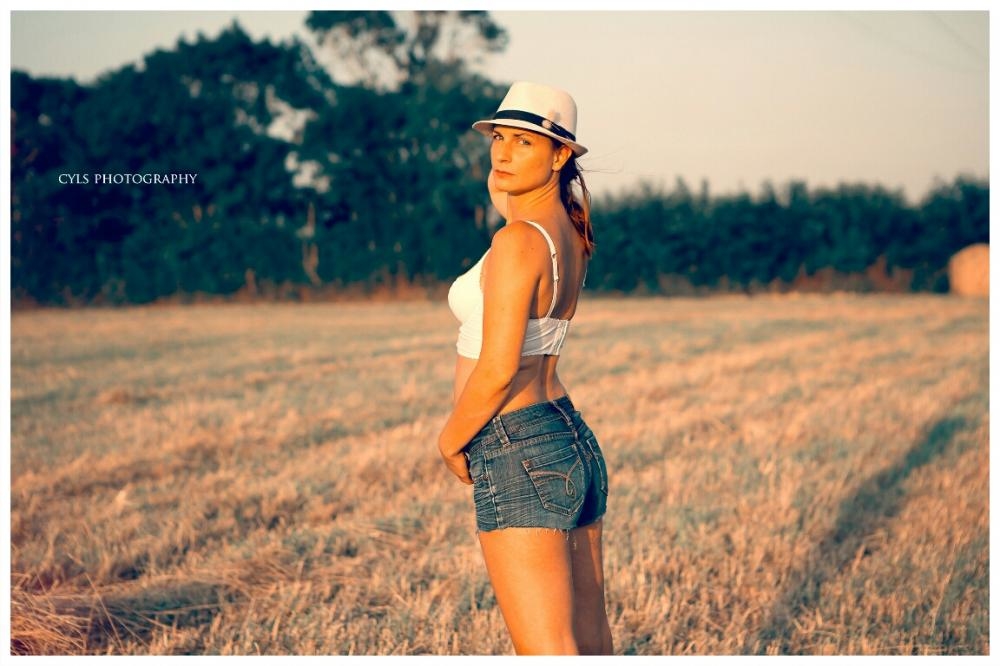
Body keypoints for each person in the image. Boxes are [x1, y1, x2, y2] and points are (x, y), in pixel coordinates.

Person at [437, 81, 613, 656]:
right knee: (588, 639)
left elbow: (498, 367)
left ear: (560, 156)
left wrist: (450, 440)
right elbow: (508, 193)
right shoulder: (567, 231)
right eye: (499, 139)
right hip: (566, 436)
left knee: (547, 650)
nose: (504, 153)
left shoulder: (517, 241)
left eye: (524, 142)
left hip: (517, 446)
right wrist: (509, 175)